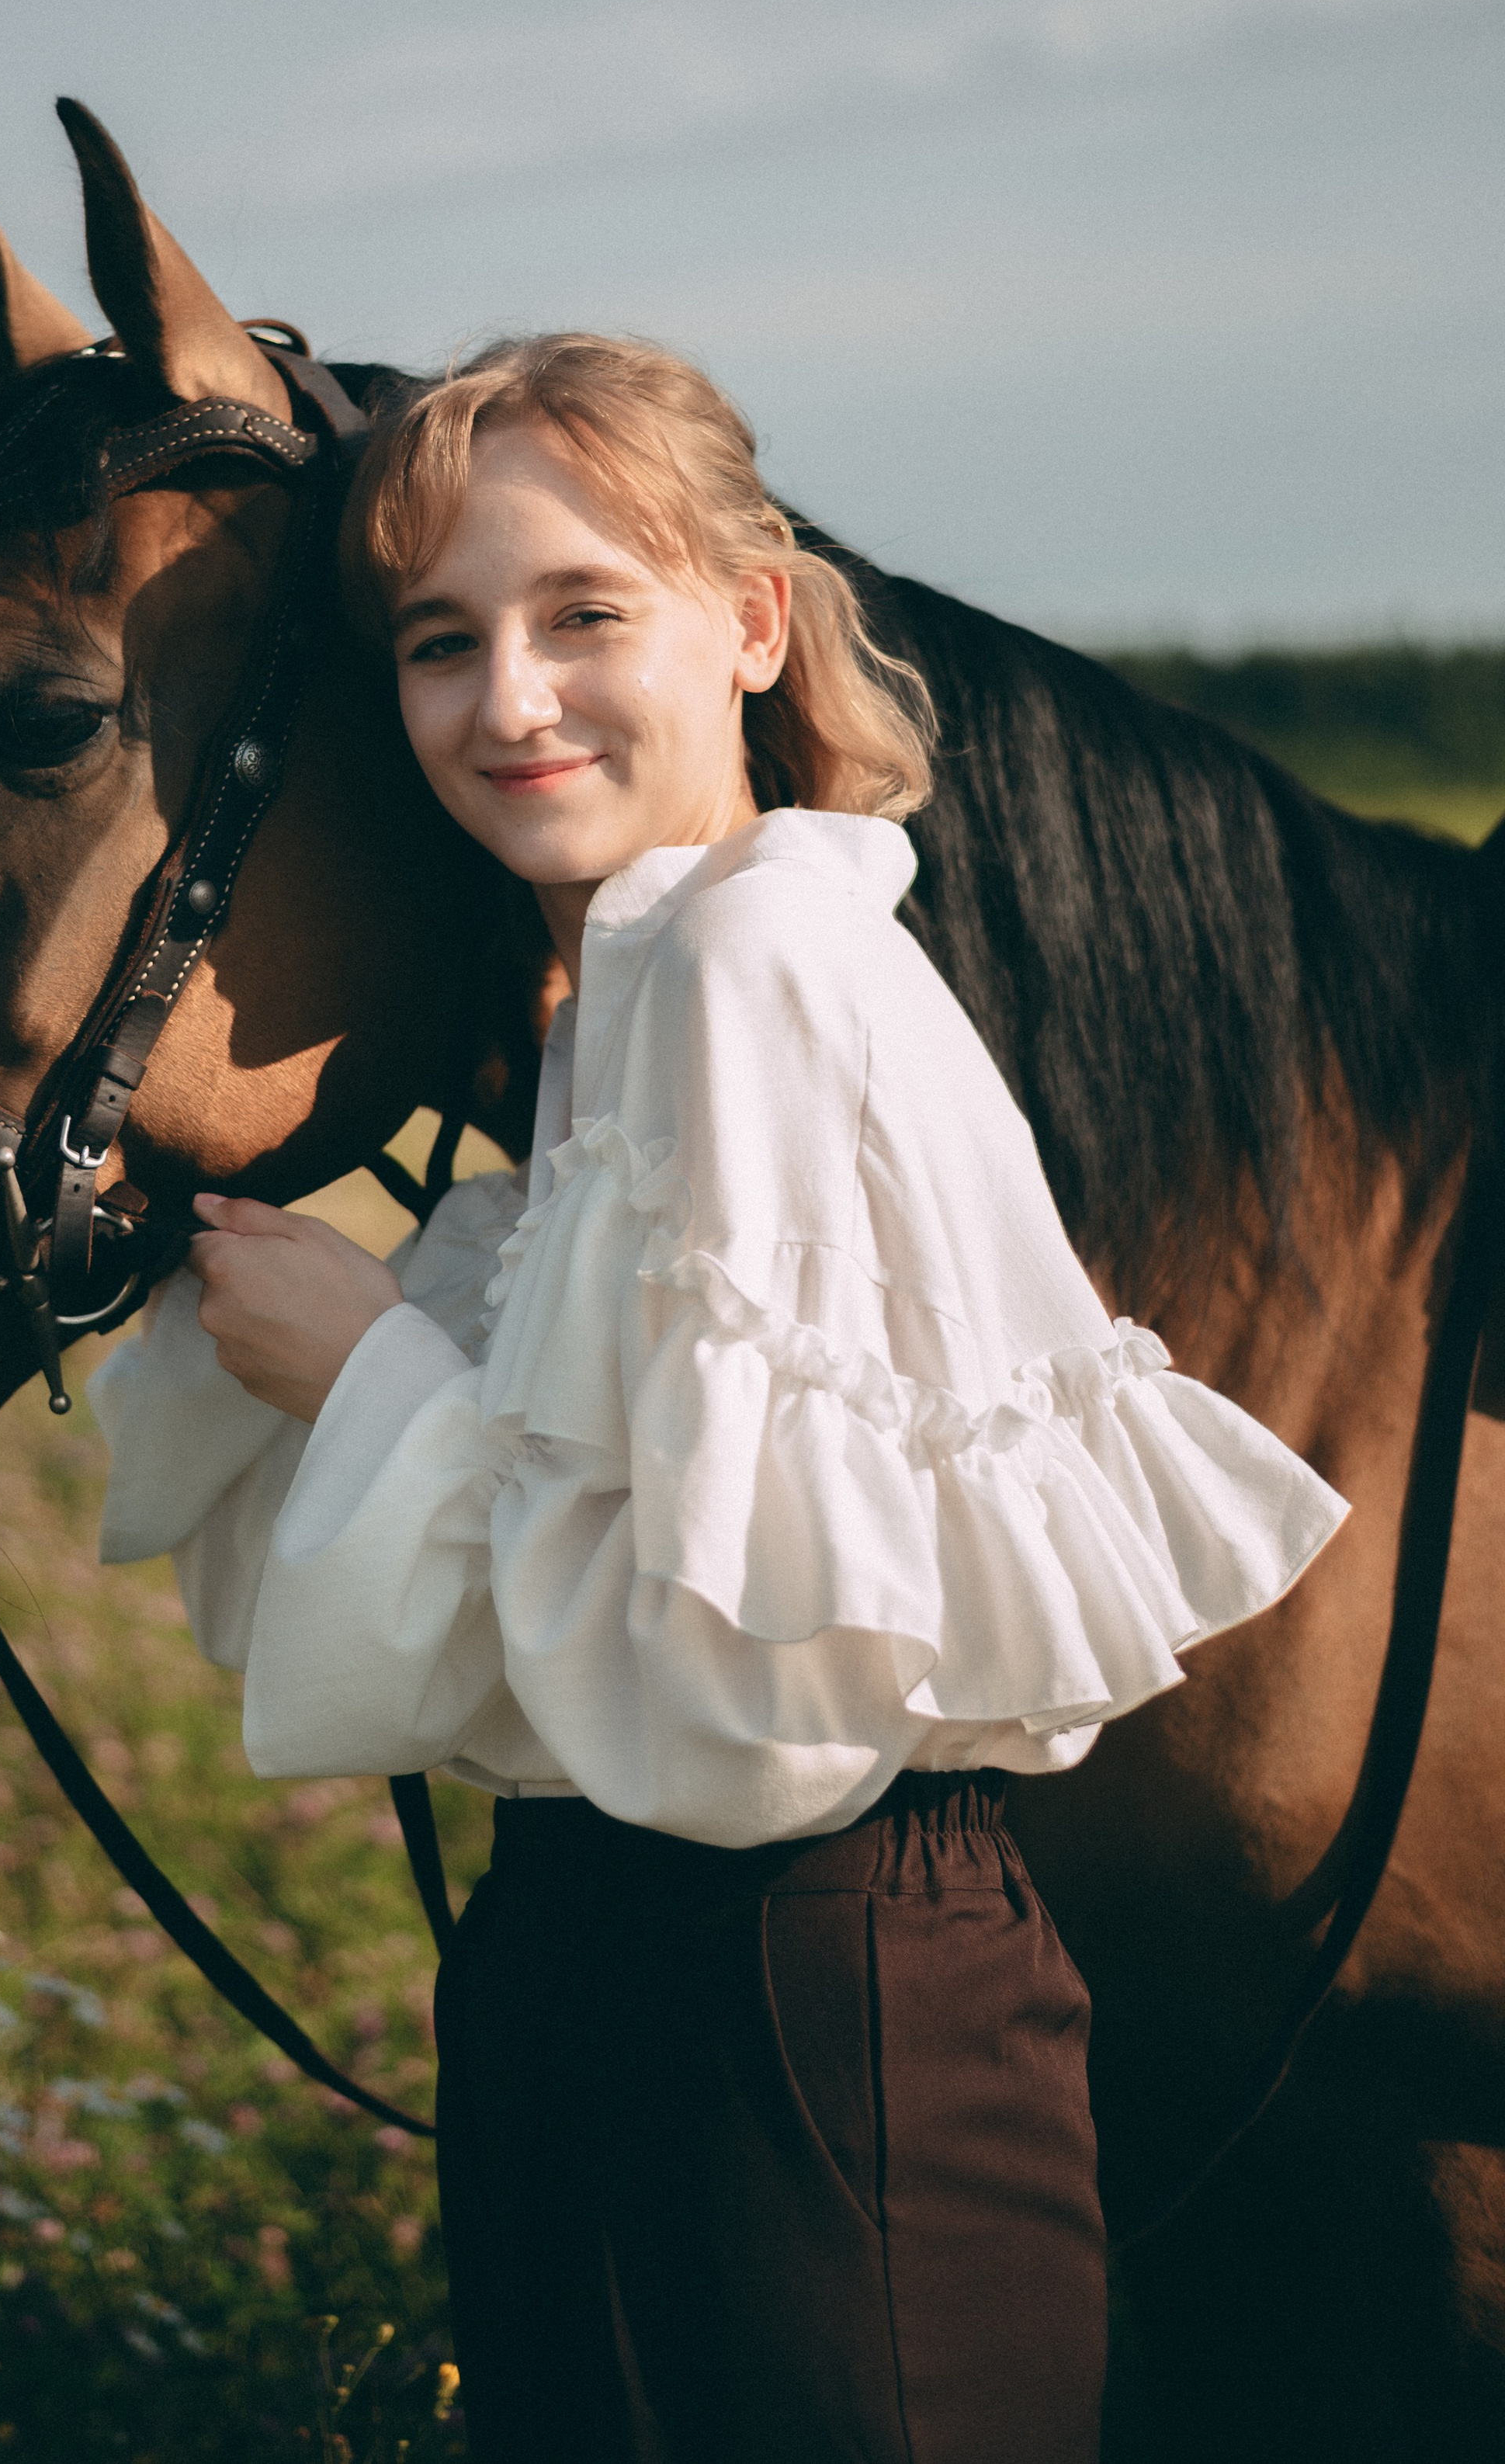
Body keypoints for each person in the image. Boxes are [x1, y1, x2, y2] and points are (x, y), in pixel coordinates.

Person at [89, 335, 1347, 2464]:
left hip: (805, 2007)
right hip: (644, 1975)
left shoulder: (758, 962)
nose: (508, 701)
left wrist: (374, 1365)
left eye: (586, 613)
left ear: (754, 620)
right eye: (438, 641)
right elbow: (631, 1532)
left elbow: (742, 1691)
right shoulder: (636, 974)